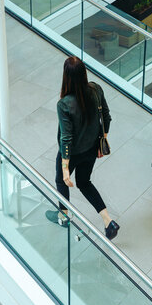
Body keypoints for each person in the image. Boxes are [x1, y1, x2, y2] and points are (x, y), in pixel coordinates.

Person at [45, 57, 120, 240]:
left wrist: (65, 167)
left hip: (73, 153)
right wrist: (103, 139)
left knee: (62, 182)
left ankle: (63, 216)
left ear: (66, 77)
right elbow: (107, 117)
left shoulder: (64, 104)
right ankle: (108, 221)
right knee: (84, 182)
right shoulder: (96, 89)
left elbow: (66, 137)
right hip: (92, 150)